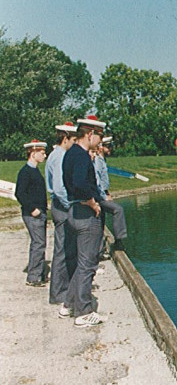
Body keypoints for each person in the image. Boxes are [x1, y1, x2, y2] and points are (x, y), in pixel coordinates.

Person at [62, 115, 107, 328]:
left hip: (72, 211)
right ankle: (84, 311)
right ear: (90, 134)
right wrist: (91, 202)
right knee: (88, 264)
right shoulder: (81, 156)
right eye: (99, 136)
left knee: (80, 264)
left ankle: (69, 304)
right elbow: (80, 183)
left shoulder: (69, 154)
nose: (100, 140)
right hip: (85, 214)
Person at [45, 122, 78, 312]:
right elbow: (58, 188)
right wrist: (70, 205)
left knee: (65, 248)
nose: (74, 143)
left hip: (59, 206)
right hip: (61, 207)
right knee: (62, 250)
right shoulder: (59, 157)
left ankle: (63, 289)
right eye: (73, 140)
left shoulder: (55, 155)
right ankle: (58, 293)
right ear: (65, 138)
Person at [15, 140, 48, 287]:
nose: (45, 155)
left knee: (39, 243)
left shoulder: (34, 170)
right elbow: (20, 193)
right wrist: (32, 209)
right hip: (32, 214)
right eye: (42, 153)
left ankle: (38, 274)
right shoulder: (26, 172)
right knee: (38, 243)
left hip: (39, 212)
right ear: (33, 154)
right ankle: (33, 277)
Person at [94, 136, 128, 251]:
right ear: (101, 147)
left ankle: (99, 249)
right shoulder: (98, 161)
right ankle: (119, 241)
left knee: (101, 222)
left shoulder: (102, 160)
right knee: (118, 210)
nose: (110, 149)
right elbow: (97, 181)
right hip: (99, 195)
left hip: (103, 193)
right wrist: (104, 196)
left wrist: (107, 192)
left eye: (110, 146)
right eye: (107, 146)